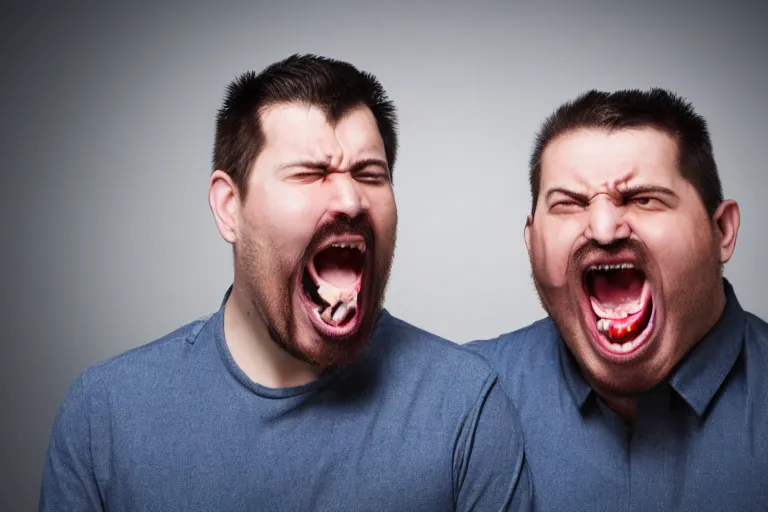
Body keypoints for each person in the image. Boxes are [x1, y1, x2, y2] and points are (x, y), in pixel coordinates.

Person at [39, 54, 532, 511]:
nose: (351, 200)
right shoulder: (104, 416)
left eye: (369, 173)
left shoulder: (465, 405)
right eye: (310, 173)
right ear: (229, 207)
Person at [467, 88, 768, 511]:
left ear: (722, 232)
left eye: (642, 199)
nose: (604, 229)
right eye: (569, 204)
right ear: (532, 242)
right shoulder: (467, 397)